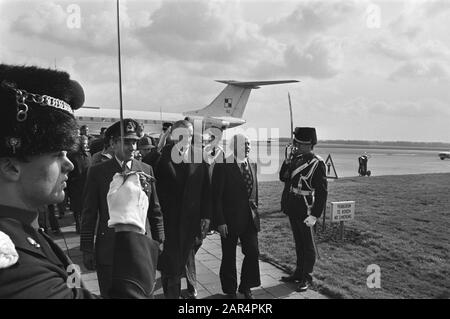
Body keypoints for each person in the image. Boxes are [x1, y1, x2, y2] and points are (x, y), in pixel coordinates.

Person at [0, 64, 159, 298]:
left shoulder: (24, 231)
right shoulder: (15, 269)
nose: (69, 165)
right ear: (11, 166)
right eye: (56, 154)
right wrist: (129, 227)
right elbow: (89, 211)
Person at [80, 118, 165, 298]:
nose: (133, 147)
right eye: (127, 141)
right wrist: (87, 247)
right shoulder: (97, 172)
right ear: (113, 142)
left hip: (140, 248)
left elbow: (155, 210)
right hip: (110, 250)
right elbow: (89, 213)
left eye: (134, 141)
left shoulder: (146, 170)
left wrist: (159, 239)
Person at [155, 120, 211, 299]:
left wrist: (206, 217)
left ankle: (190, 288)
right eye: (181, 135)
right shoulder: (162, 157)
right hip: (170, 223)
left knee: (188, 258)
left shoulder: (199, 155)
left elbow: (206, 190)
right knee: (170, 267)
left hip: (192, 222)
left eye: (189, 135)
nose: (185, 139)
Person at [279, 127, 328, 292]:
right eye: (296, 143)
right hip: (293, 206)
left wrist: (315, 215)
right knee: (299, 243)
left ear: (309, 144)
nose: (296, 146)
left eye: (299, 143)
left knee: (308, 246)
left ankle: (307, 277)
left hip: (306, 209)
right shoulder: (295, 159)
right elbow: (283, 177)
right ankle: (298, 272)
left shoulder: (317, 163)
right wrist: (287, 161)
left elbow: (322, 193)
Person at [212, 134, 260, 299]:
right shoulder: (223, 166)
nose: (247, 147)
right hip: (229, 220)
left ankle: (246, 286)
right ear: (234, 147)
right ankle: (230, 290)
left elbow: (254, 191)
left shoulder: (252, 164)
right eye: (243, 144)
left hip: (250, 219)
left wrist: (256, 211)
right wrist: (220, 221)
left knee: (253, 252)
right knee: (229, 256)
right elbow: (216, 197)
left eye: (249, 144)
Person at [67, 135, 92, 233]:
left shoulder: (89, 155)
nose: (85, 146)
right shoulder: (72, 156)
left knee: (85, 207)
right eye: (83, 144)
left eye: (86, 143)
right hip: (75, 186)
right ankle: (78, 225)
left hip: (86, 185)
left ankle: (83, 224)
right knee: (76, 208)